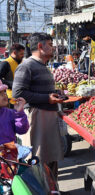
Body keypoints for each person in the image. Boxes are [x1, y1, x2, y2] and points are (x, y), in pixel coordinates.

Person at [12, 33, 64, 181]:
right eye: (50, 44)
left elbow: (38, 90)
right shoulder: (27, 66)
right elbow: (18, 93)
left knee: (51, 158)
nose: (53, 48)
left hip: (47, 116)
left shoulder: (42, 65)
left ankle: (52, 188)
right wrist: (47, 98)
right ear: (40, 47)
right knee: (38, 159)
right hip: (37, 116)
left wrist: (54, 93)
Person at [0, 80, 28, 145]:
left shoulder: (10, 113)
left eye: (4, 91)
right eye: (0, 94)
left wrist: (19, 113)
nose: (4, 95)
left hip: (10, 153)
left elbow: (22, 130)